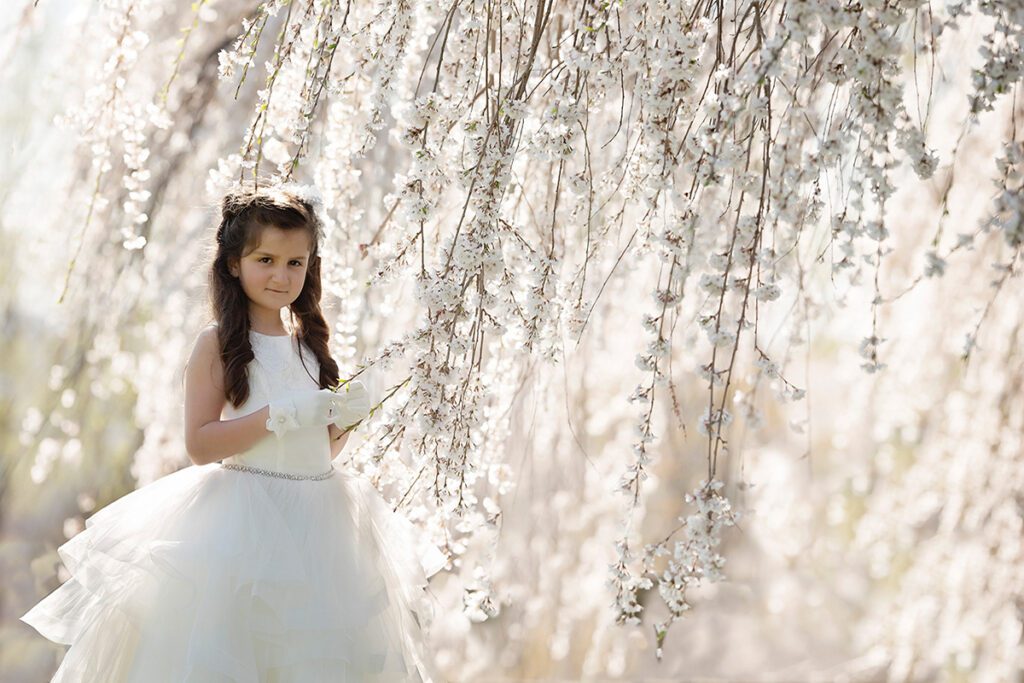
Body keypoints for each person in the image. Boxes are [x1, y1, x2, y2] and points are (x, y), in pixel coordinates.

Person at [20, 184, 446, 682]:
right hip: (243, 522)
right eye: (265, 259)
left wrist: (343, 420)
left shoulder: (311, 346)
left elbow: (318, 454)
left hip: (319, 527)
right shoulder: (220, 342)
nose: (281, 275)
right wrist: (278, 414)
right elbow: (200, 444)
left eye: (295, 263)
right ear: (232, 263)